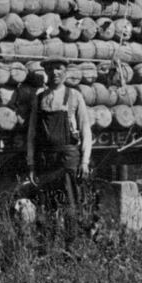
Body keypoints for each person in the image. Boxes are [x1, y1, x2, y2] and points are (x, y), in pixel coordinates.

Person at [26, 58, 92, 210]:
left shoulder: (74, 96)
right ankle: (50, 233)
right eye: (50, 69)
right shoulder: (40, 98)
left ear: (65, 71)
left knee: (71, 204)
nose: (54, 72)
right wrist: (31, 164)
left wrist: (84, 162)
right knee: (47, 205)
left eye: (58, 68)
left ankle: (73, 233)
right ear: (46, 73)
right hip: (46, 159)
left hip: (68, 158)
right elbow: (32, 133)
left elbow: (85, 130)